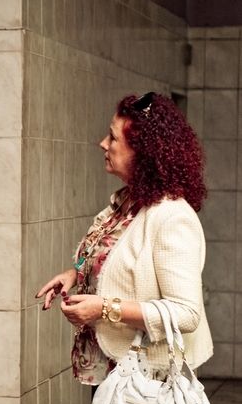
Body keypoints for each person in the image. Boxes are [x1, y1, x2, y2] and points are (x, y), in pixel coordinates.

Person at [35, 92, 213, 388]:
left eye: (113, 138)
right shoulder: (129, 202)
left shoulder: (171, 217)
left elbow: (186, 313)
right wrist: (75, 275)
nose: (103, 144)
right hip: (117, 372)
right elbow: (117, 258)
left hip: (149, 380)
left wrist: (104, 308)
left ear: (143, 152)